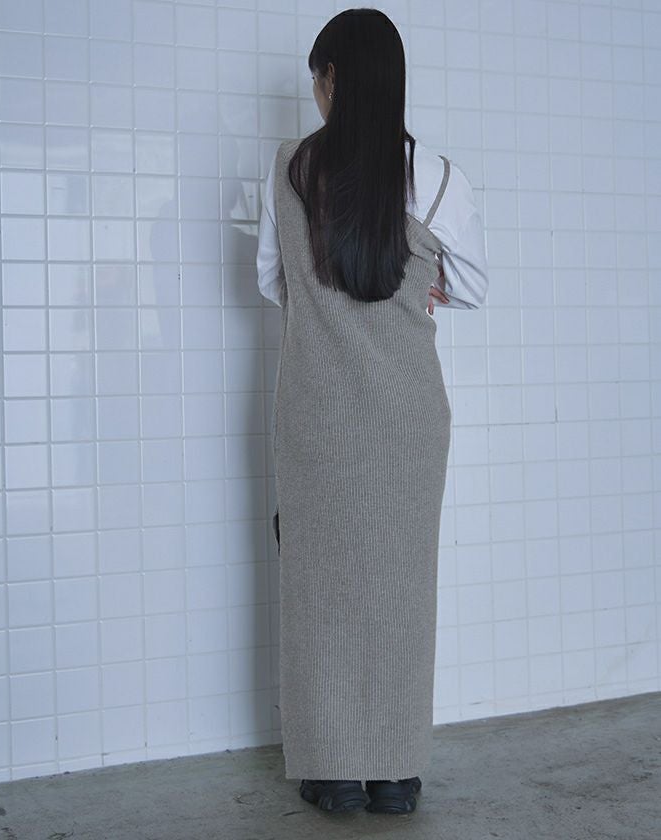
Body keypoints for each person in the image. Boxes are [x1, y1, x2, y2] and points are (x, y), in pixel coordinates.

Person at [256, 8, 488, 816]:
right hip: (407, 418)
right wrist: (420, 288)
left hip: (316, 414)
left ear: (331, 80)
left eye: (316, 80)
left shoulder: (291, 168)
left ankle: (331, 772)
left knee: (318, 588)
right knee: (400, 588)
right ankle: (395, 774)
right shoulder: (440, 177)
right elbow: (473, 286)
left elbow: (270, 280)